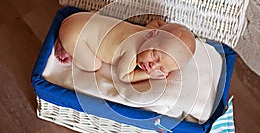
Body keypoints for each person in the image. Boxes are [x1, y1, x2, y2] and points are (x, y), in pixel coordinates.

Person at [55, 11, 196, 83]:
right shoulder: (132, 54)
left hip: (80, 17)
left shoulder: (147, 32)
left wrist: (165, 29)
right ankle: (65, 45)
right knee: (93, 65)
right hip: (74, 34)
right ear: (152, 35)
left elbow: (158, 23)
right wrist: (148, 75)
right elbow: (124, 76)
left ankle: (67, 36)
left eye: (161, 68)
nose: (152, 66)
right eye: (155, 56)